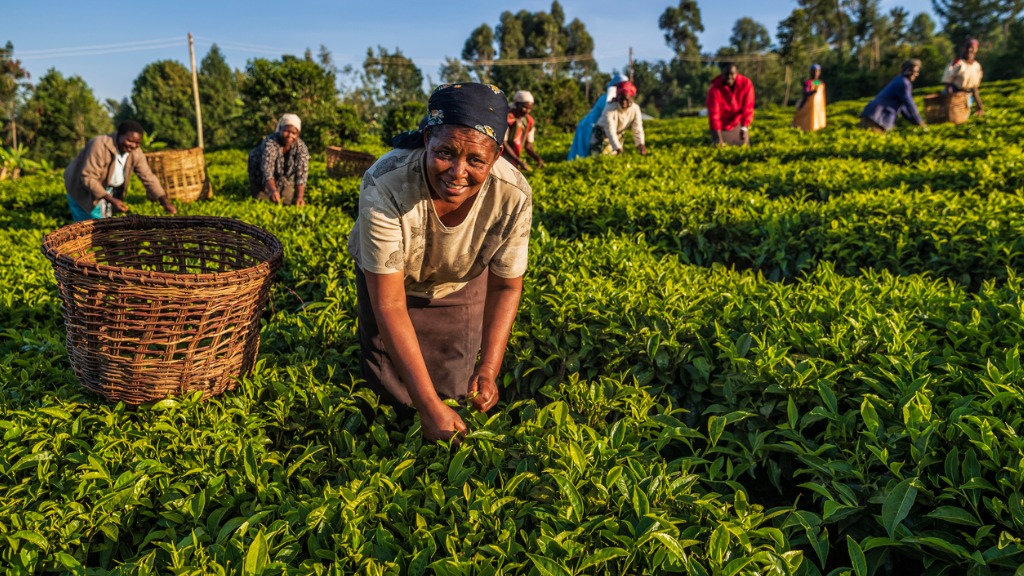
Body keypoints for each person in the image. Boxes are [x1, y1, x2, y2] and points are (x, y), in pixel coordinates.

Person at [348, 83, 532, 443]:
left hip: (461, 281)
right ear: (428, 137)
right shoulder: (386, 182)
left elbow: (507, 284)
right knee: (391, 391)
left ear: (496, 156)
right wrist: (429, 407)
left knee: (455, 384)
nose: (457, 172)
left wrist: (489, 368)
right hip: (390, 284)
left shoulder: (513, 195)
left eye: (476, 160)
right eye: (445, 152)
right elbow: (388, 303)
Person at [63, 120, 177, 221]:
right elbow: (88, 178)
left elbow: (148, 177)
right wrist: (111, 200)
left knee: (104, 224)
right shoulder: (100, 144)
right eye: (129, 140)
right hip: (82, 189)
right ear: (119, 135)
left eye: (137, 143)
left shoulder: (136, 152)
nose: (133, 146)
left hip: (106, 189)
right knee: (88, 226)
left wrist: (165, 202)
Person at [247, 113, 310, 206]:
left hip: (284, 177)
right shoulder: (270, 143)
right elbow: (267, 171)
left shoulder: (301, 148)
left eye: (294, 133)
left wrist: (300, 197)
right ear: (280, 129)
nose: (290, 135)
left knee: (287, 201)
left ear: (298, 135)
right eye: (286, 131)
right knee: (263, 201)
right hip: (260, 174)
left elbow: (302, 175)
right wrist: (273, 190)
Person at [567, 73, 628, 160]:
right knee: (584, 154)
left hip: (593, 126)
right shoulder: (608, 98)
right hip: (589, 127)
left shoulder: (616, 99)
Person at [859, 59, 926, 134]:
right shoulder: (904, 83)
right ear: (909, 71)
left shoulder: (899, 80)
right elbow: (910, 104)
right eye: (915, 72)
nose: (917, 74)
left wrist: (915, 122)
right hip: (876, 118)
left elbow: (903, 109)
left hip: (872, 115)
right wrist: (920, 122)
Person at [590, 80, 648, 156]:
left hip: (617, 136)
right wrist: (617, 147)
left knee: (614, 158)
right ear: (617, 98)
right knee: (600, 157)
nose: (624, 102)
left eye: (626, 99)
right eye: (621, 99)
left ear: (631, 98)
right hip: (602, 136)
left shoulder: (635, 109)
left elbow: (637, 128)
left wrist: (640, 144)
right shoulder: (610, 108)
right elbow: (610, 129)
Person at [707, 62, 755, 147]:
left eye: (732, 74)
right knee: (718, 146)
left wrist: (744, 127)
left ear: (736, 74)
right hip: (722, 124)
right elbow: (714, 114)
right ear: (722, 74)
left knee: (744, 146)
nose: (729, 78)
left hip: (738, 122)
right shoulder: (715, 89)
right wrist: (717, 137)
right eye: (726, 75)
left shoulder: (746, 84)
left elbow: (748, 107)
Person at [942, 38, 984, 117]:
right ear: (963, 48)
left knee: (964, 116)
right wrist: (952, 102)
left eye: (972, 47)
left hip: (967, 96)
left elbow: (974, 88)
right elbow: (948, 84)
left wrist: (979, 105)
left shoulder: (976, 66)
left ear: (976, 49)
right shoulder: (957, 63)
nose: (969, 50)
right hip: (954, 94)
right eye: (967, 47)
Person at [503, 90, 544, 172]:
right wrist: (519, 161)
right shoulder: (506, 118)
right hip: (501, 157)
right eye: (524, 107)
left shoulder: (529, 121)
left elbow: (528, 146)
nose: (527, 111)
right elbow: (504, 143)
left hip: (514, 159)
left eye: (530, 108)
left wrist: (538, 159)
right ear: (517, 104)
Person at [793, 64, 827, 132]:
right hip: (807, 107)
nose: (815, 73)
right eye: (814, 71)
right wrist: (812, 92)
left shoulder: (819, 82)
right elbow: (806, 92)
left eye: (817, 71)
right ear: (810, 72)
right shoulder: (808, 82)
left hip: (818, 108)